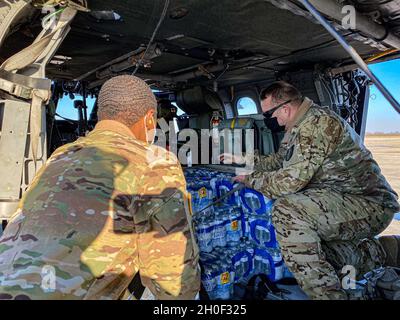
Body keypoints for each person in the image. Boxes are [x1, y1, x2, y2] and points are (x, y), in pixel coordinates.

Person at [0, 75, 200, 300]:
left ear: (102, 115)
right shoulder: (154, 162)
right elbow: (176, 282)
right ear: (150, 120)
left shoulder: (61, 154)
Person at [226, 81, 399, 300]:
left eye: (269, 114)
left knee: (288, 212)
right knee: (310, 254)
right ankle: (382, 252)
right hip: (341, 198)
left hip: (369, 204)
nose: (271, 120)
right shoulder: (297, 126)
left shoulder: (316, 124)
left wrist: (251, 179)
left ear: (285, 109)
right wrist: (244, 160)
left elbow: (289, 183)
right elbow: (279, 161)